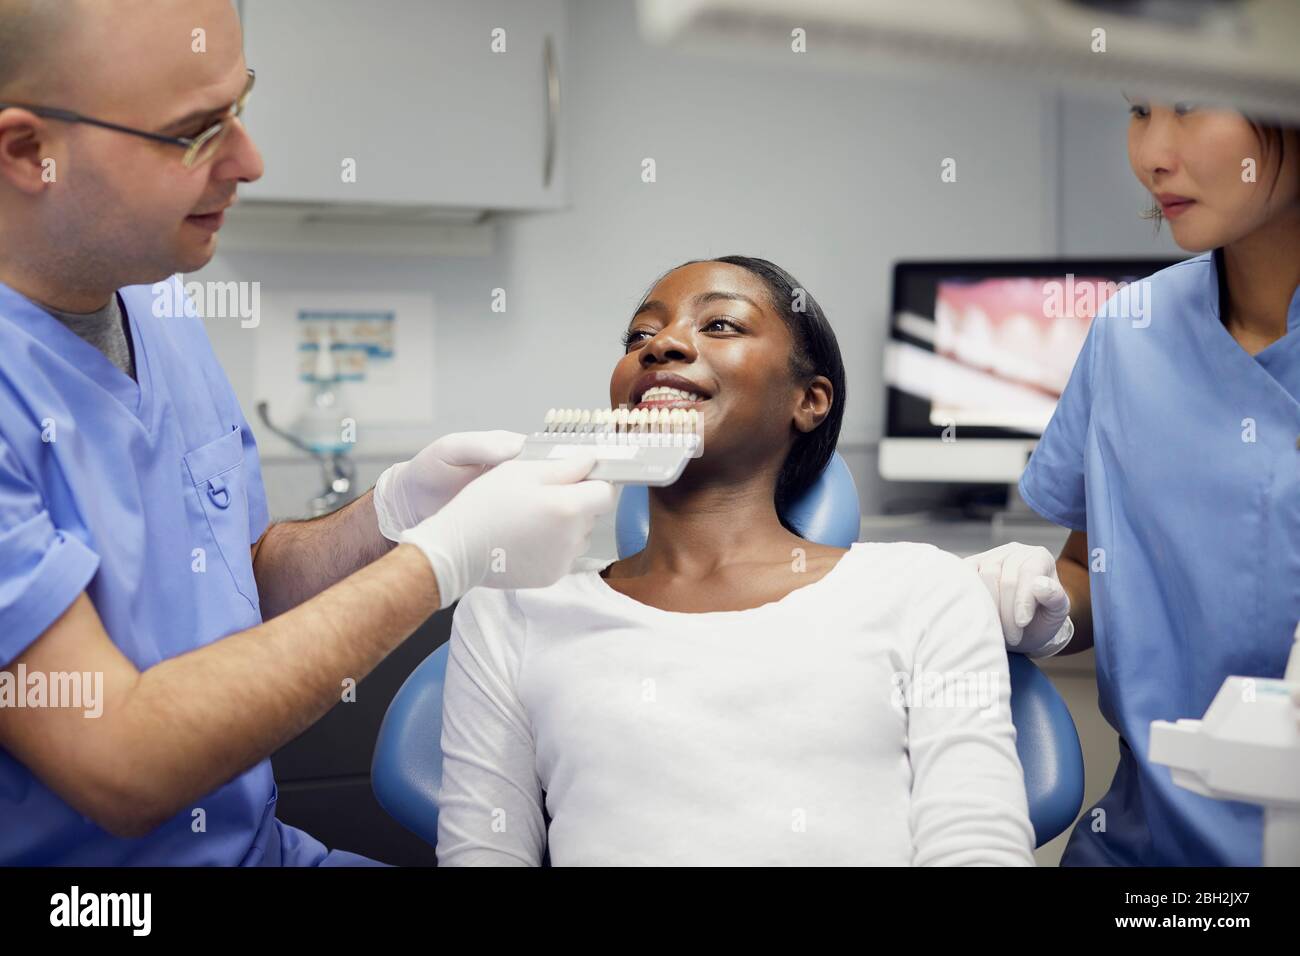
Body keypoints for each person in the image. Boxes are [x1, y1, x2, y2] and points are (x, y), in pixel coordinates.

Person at [0, 0, 615, 865]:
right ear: (31, 153)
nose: (250, 162)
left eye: (239, 108)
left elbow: (230, 582)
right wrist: (441, 561)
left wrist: (388, 518)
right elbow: (123, 763)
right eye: (195, 132)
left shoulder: (155, 292)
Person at [428, 257, 1036, 865]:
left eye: (720, 324)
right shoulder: (513, 605)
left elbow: (977, 849)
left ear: (810, 400)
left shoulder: (923, 590)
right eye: (640, 336)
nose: (661, 344)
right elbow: (484, 854)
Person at [967, 101, 1299, 865]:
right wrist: (1039, 607)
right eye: (1140, 110)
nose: (1151, 154)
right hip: (1147, 854)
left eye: (1188, 107)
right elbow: (1090, 571)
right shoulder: (1132, 331)